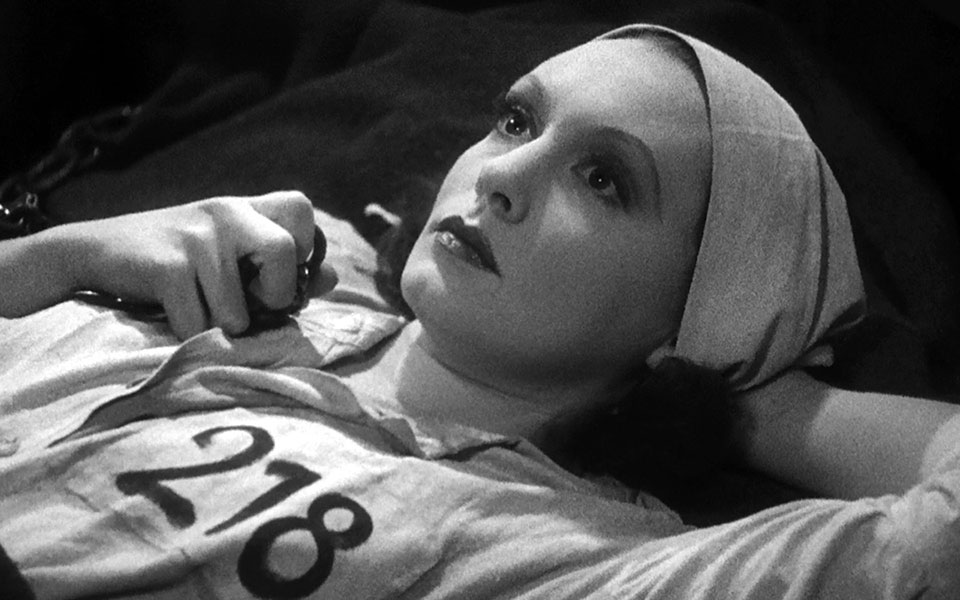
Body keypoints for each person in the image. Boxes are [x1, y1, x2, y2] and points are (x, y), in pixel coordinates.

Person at [0, 23, 958, 600]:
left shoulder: (571, 559)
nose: (501, 176)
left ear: (698, 316)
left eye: (603, 179)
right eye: (516, 120)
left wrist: (742, 398)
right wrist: (59, 255)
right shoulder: (243, 272)